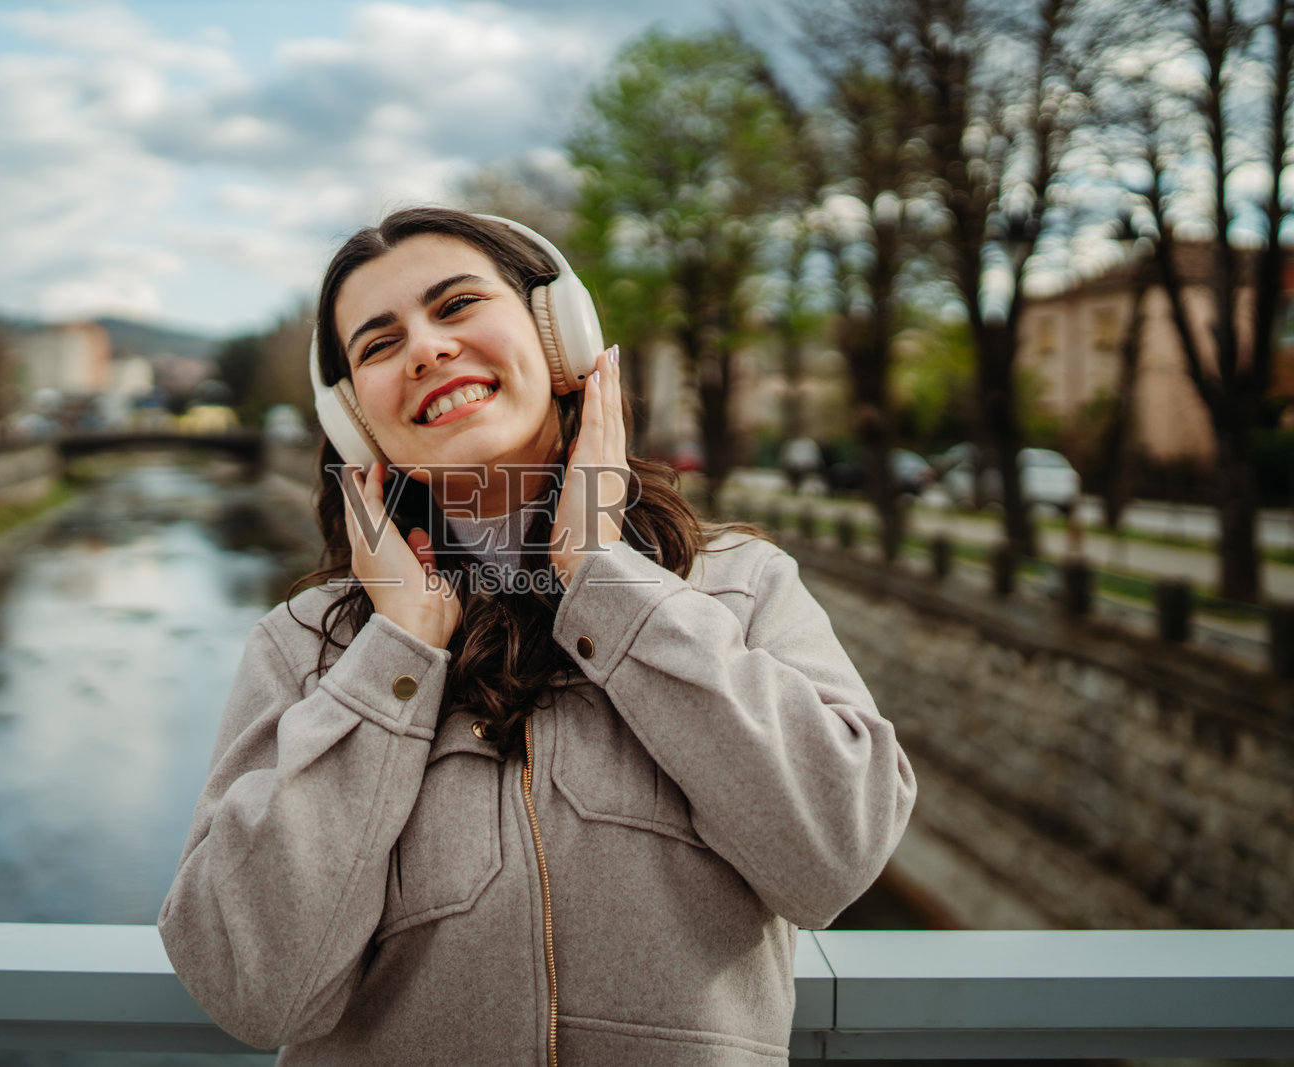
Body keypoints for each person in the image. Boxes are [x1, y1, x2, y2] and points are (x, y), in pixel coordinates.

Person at [159, 207, 915, 1066]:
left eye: (457, 306)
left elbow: (834, 856)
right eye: (377, 345)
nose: (425, 349)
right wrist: (396, 657)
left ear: (559, 333)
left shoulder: (741, 585)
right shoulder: (305, 647)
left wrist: (602, 573)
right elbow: (252, 989)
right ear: (350, 419)